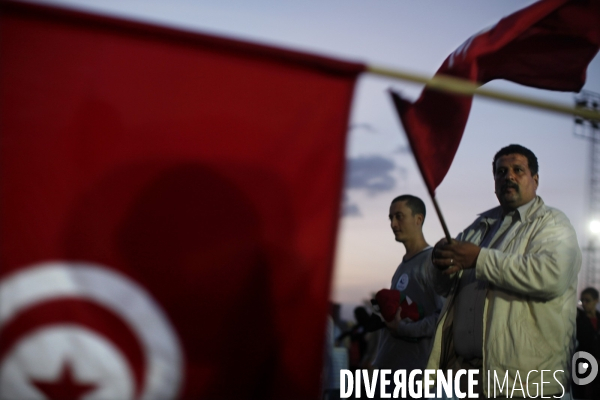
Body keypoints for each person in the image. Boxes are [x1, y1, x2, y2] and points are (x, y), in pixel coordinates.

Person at [429, 144, 581, 399]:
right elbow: (444, 289)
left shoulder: (553, 223)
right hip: (470, 381)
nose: (508, 176)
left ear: (535, 179)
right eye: (501, 172)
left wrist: (478, 258)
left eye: (517, 170)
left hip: (528, 384)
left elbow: (551, 276)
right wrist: (440, 262)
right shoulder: (479, 227)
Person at [372, 194, 444, 398]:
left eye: (399, 216)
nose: (393, 224)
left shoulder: (433, 262)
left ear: (418, 219)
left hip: (415, 379)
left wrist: (403, 329)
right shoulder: (401, 268)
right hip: (389, 377)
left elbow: (443, 319)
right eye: (390, 218)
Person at [572, 287, 600, 400]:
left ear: (596, 301)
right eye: (582, 300)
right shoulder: (579, 317)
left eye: (587, 300)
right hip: (583, 362)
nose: (584, 303)